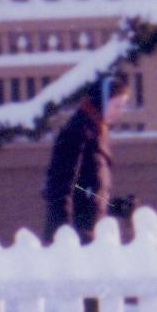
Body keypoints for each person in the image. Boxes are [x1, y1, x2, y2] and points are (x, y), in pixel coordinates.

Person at [42, 77, 116, 237]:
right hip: (76, 233)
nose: (119, 111)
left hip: (89, 228)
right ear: (102, 101)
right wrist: (64, 230)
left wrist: (114, 207)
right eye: (116, 105)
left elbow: (89, 189)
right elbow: (62, 183)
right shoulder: (78, 131)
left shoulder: (97, 131)